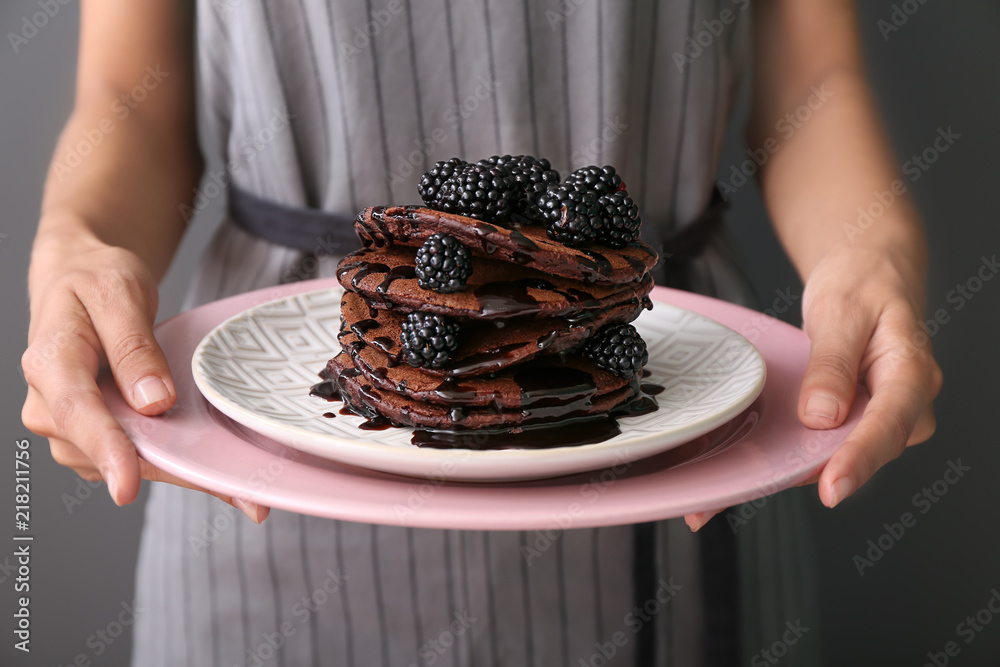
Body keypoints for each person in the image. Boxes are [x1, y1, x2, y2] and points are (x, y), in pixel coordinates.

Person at [21, 1, 941, 665]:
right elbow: (130, 93)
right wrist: (77, 242)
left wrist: (871, 256)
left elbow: (815, 78)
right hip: (269, 456)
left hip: (671, 425)